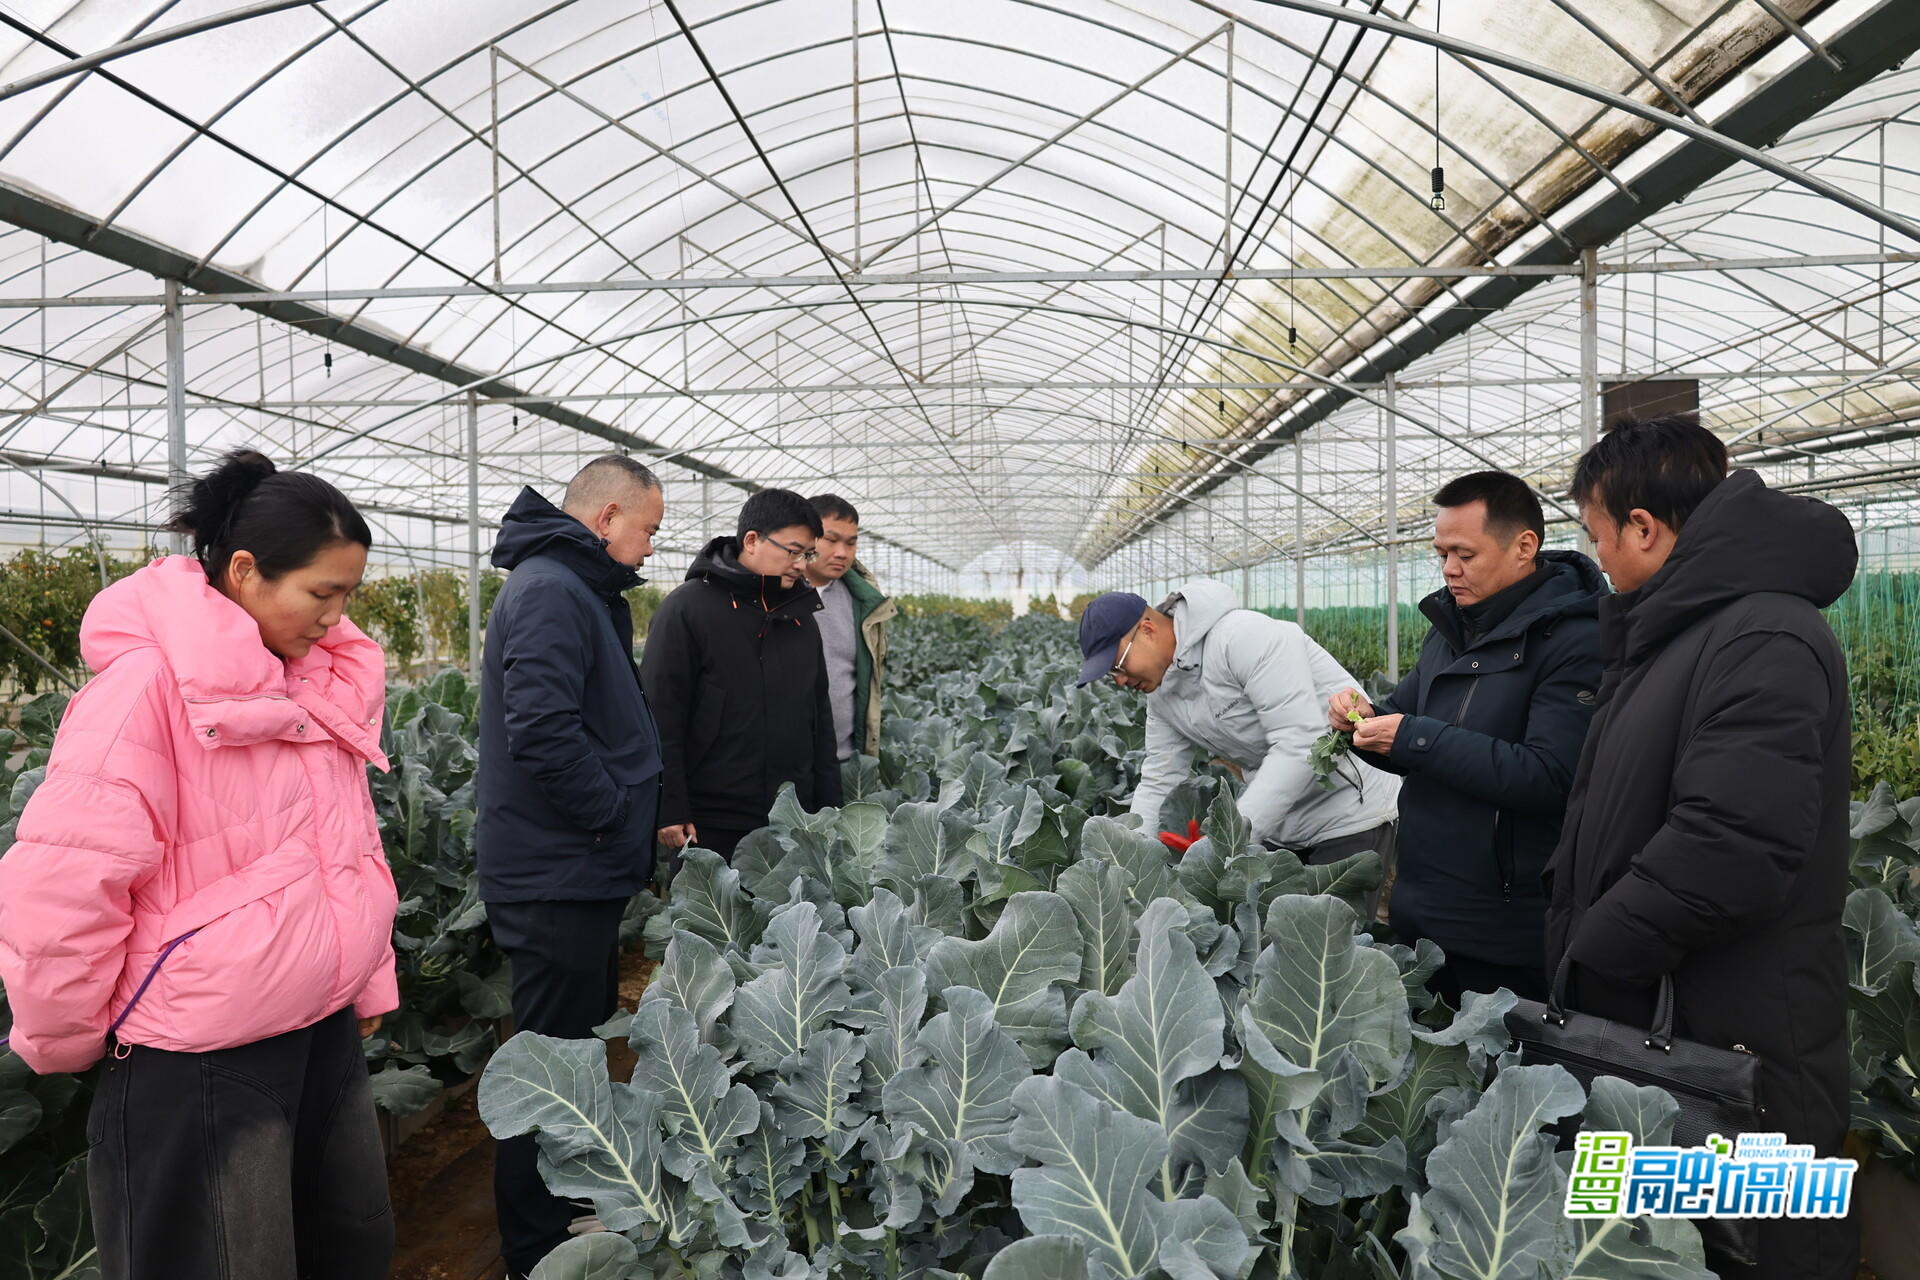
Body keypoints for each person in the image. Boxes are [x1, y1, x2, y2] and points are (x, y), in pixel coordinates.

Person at [0, 449, 397, 1279]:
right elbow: (63, 885)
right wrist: (66, 1038)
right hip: (202, 1057)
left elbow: (348, 847)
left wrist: (367, 978)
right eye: (321, 593)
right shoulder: (143, 692)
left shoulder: (312, 683)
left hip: (318, 1031)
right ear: (245, 571)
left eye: (349, 596)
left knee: (348, 1246)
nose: (336, 618)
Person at [1545, 415, 1857, 1280]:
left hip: (1736, 1037)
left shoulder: (1762, 635)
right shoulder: (1682, 632)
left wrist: (1594, 948)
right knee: (1653, 1247)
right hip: (1660, 1021)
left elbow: (1733, 844)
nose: (1599, 558)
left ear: (1644, 527)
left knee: (1766, 1246)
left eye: (1598, 536)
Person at [476, 455, 666, 1278]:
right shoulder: (551, 590)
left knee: (572, 1056)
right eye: (648, 529)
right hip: (556, 870)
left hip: (574, 869)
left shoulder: (574, 587)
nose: (650, 546)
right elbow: (543, 730)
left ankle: (561, 1210)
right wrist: (613, 814)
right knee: (548, 1070)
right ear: (607, 516)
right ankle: (533, 1246)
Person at [1327, 471, 1607, 1006]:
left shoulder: (1576, 640)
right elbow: (1404, 722)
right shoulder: (1451, 629)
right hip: (1423, 909)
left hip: (1501, 929)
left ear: (1524, 546)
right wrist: (1361, 722)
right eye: (1442, 554)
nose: (1450, 569)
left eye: (1465, 554)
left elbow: (1551, 776)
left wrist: (1414, 738)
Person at [1081, 579, 1400, 869]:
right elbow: (1158, 780)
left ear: (1148, 630)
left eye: (1118, 665)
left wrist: (1231, 839)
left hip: (1349, 811)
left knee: (1332, 916)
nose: (1119, 680)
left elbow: (1299, 742)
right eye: (1111, 674)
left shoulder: (1242, 637)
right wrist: (1129, 862)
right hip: (1279, 823)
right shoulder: (1162, 695)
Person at [643, 488, 844, 863]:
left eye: (807, 554)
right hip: (712, 820)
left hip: (793, 820)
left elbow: (820, 720)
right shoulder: (687, 609)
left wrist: (831, 807)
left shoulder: (800, 618)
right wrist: (668, 806)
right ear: (752, 540)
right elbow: (660, 716)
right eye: (793, 551)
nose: (801, 565)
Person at [805, 493, 898, 760]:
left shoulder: (863, 601)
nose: (842, 553)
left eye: (851, 543)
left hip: (846, 759)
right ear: (805, 537)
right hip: (787, 763)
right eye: (831, 540)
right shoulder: (774, 595)